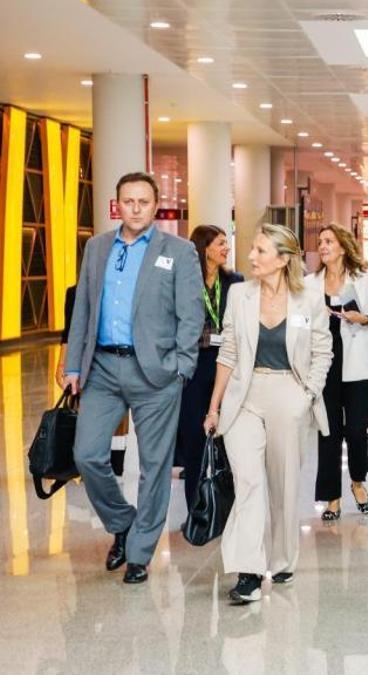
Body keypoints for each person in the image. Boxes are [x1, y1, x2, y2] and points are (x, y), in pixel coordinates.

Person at [64, 171, 204, 585]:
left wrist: (181, 366)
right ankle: (123, 522)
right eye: (129, 201)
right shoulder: (97, 247)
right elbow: (83, 311)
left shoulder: (177, 252)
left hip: (156, 372)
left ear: (156, 204)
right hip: (103, 369)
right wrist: (75, 365)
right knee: (86, 455)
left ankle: (140, 553)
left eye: (144, 201)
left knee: (155, 466)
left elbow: (191, 314)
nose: (136, 208)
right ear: (117, 204)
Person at [204, 224, 333, 604]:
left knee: (283, 483)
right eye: (252, 249)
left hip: (288, 393)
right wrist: (214, 406)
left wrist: (307, 394)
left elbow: (322, 351)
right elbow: (227, 352)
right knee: (248, 482)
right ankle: (248, 570)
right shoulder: (240, 295)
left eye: (260, 251)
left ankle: (280, 559)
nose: (251, 257)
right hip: (245, 394)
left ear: (283, 258)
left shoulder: (308, 297)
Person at [308, 225, 368, 520]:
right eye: (321, 242)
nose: (323, 246)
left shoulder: (363, 280)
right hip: (324, 365)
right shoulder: (310, 283)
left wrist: (363, 318)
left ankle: (357, 481)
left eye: (329, 241)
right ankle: (332, 497)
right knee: (328, 432)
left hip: (357, 365)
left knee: (356, 431)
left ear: (343, 246)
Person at [176, 225, 243, 510]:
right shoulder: (185, 282)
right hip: (194, 366)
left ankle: (226, 505)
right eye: (220, 244)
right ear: (205, 248)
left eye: (226, 243)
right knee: (193, 437)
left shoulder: (235, 282)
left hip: (227, 364)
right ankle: (194, 507)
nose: (226, 249)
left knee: (228, 437)